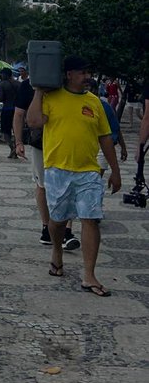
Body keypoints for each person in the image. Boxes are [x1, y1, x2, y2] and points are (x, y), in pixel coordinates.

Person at [26, 55, 121, 296]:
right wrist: (38, 91)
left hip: (88, 171)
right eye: (81, 72)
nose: (87, 77)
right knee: (57, 221)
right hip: (57, 170)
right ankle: (57, 251)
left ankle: (89, 275)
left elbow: (105, 138)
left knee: (91, 219)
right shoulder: (51, 98)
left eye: (88, 72)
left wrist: (115, 171)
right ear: (68, 74)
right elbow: (34, 121)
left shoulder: (95, 102)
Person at [13, 67, 80, 253]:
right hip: (39, 142)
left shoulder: (63, 84)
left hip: (64, 142)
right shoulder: (28, 86)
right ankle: (46, 227)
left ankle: (67, 231)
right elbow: (19, 115)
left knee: (67, 184)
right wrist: (18, 142)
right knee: (42, 185)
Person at [0, 68, 19, 157]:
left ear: (5, 75)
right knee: (16, 130)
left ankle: (12, 148)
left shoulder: (2, 84)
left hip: (7, 109)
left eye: (2, 74)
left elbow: (0, 98)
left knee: (6, 131)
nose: (1, 76)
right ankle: (16, 148)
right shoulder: (18, 84)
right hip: (17, 110)